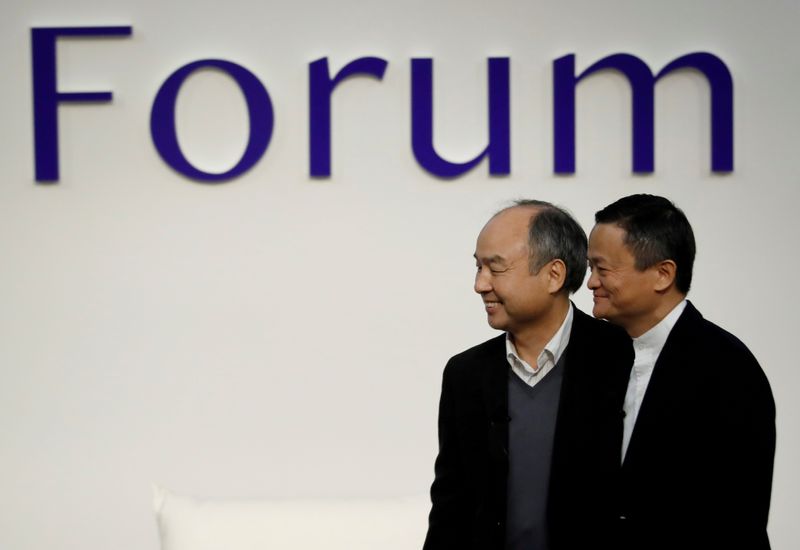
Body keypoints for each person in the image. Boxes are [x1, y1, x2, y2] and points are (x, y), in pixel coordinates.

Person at [424, 200, 632, 550]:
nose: (480, 284)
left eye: (496, 268)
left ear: (554, 275)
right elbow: (451, 508)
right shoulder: (466, 374)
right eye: (478, 268)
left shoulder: (621, 357)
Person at [587, 194, 776, 550]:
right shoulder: (598, 357)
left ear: (663, 274)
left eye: (603, 269)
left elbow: (736, 519)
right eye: (589, 268)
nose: (591, 283)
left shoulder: (727, 369)